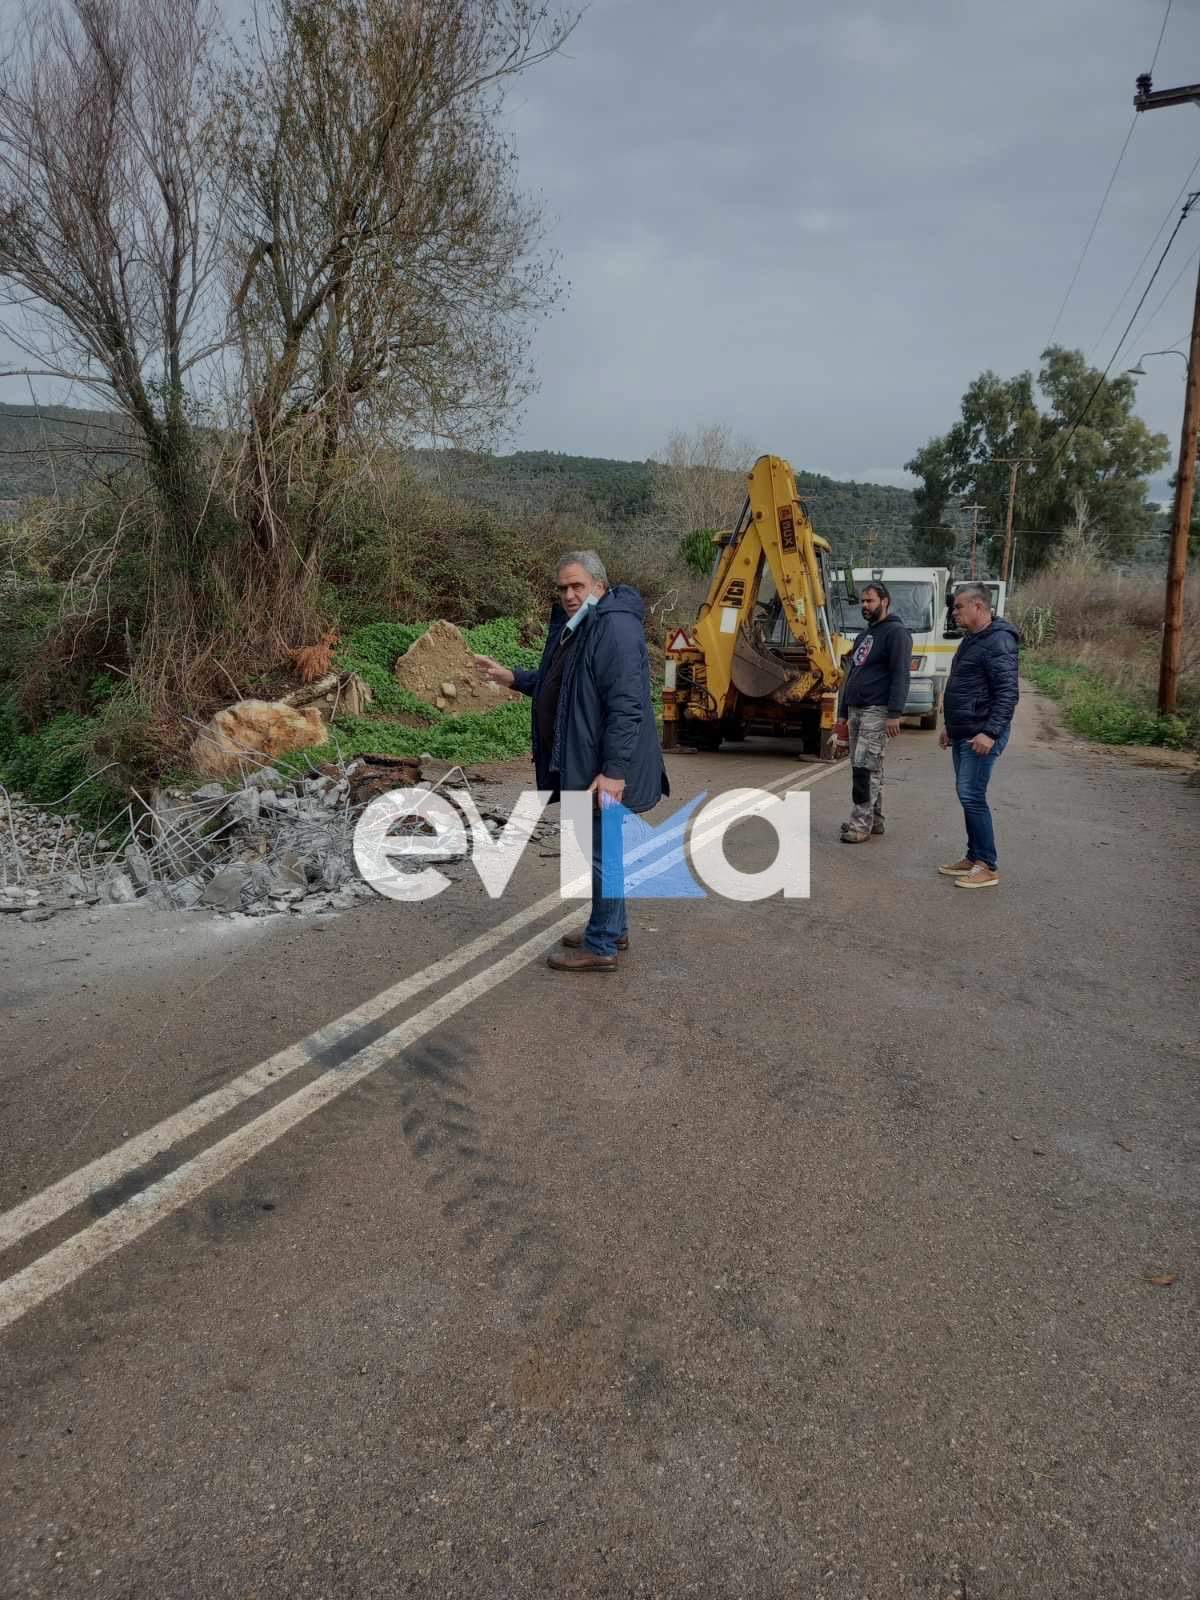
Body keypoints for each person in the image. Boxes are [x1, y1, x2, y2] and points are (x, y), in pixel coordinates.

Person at [474, 550, 668, 971]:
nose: (568, 594)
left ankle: (600, 946)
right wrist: (512, 677)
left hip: (605, 769)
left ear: (598, 585)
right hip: (588, 764)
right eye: (563, 587)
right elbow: (562, 689)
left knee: (601, 853)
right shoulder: (582, 626)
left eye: (577, 586)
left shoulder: (613, 628)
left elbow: (627, 707)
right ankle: (611, 927)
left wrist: (614, 772)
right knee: (604, 851)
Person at [937, 582, 1020, 890]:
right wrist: (951, 727)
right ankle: (974, 858)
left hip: (981, 734)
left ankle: (987, 865)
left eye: (959, 606)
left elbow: (1007, 693)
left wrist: (990, 732)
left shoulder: (999, 641)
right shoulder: (974, 640)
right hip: (966, 731)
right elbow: (965, 687)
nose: (954, 612)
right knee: (966, 794)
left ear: (979, 607)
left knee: (972, 795)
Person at [833, 581, 911, 843]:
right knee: (866, 766)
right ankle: (874, 819)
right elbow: (852, 674)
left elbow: (901, 674)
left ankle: (860, 824)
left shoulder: (896, 633)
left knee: (865, 769)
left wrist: (894, 713)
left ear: (885, 601)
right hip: (856, 709)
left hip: (876, 710)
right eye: (863, 602)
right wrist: (843, 711)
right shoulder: (865, 635)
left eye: (870, 601)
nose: (865, 606)